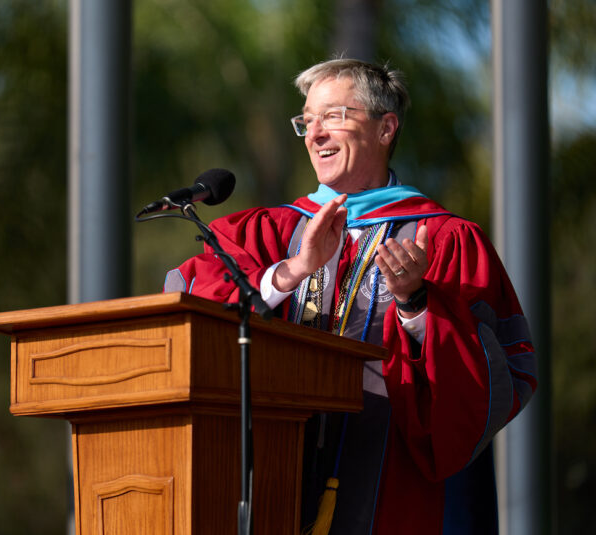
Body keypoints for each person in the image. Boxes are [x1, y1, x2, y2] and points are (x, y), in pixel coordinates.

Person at [163, 58, 537, 534]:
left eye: (334, 116)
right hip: (272, 474)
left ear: (386, 129)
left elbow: (502, 373)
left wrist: (417, 304)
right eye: (307, 120)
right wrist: (292, 271)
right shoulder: (268, 232)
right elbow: (191, 304)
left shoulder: (444, 240)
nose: (315, 133)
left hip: (395, 484)